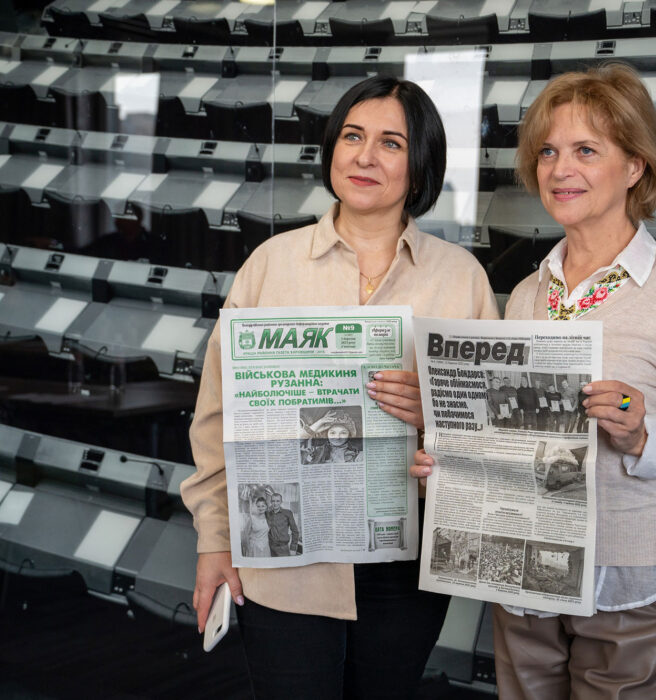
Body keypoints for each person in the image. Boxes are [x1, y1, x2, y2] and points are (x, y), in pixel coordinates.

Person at [412, 63, 656, 699]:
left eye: (585, 150)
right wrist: (454, 462)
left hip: (634, 578)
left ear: (635, 166)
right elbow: (506, 438)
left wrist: (644, 437)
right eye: (547, 151)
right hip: (522, 569)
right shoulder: (525, 294)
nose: (558, 168)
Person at [183, 75, 499, 699]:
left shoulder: (461, 279)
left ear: (421, 164)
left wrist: (432, 416)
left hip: (404, 571)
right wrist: (214, 540)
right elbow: (217, 421)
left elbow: (493, 437)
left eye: (390, 143)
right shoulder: (270, 264)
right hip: (285, 558)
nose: (364, 156)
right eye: (353, 136)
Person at [265, 492, 299, 557]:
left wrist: (293, 548)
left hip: (283, 548)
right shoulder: (268, 514)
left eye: (277, 501)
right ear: (271, 502)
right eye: (273, 501)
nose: (275, 503)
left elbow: (295, 531)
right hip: (270, 548)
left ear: (281, 502)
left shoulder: (288, 513)